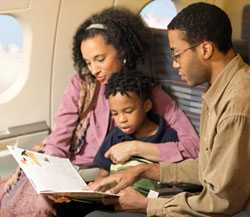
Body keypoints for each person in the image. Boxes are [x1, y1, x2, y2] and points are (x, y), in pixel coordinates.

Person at [0, 7, 199, 217]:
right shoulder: (82, 85)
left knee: (39, 207)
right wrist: (51, 176)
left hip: (98, 172)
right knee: (26, 194)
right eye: (88, 62)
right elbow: (60, 138)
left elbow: (193, 148)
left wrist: (134, 147)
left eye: (100, 59)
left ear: (122, 51)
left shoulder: (146, 91)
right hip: (67, 169)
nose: (94, 69)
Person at [87, 2, 250, 217]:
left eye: (176, 54)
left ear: (205, 49)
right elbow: (208, 167)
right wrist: (143, 171)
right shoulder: (218, 90)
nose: (174, 64)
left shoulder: (237, 104)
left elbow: (222, 202)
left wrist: (148, 205)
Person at [91, 69, 178, 196]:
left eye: (128, 111)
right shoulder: (115, 136)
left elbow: (171, 180)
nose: (121, 119)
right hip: (114, 197)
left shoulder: (167, 137)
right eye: (115, 113)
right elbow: (103, 173)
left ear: (147, 106)